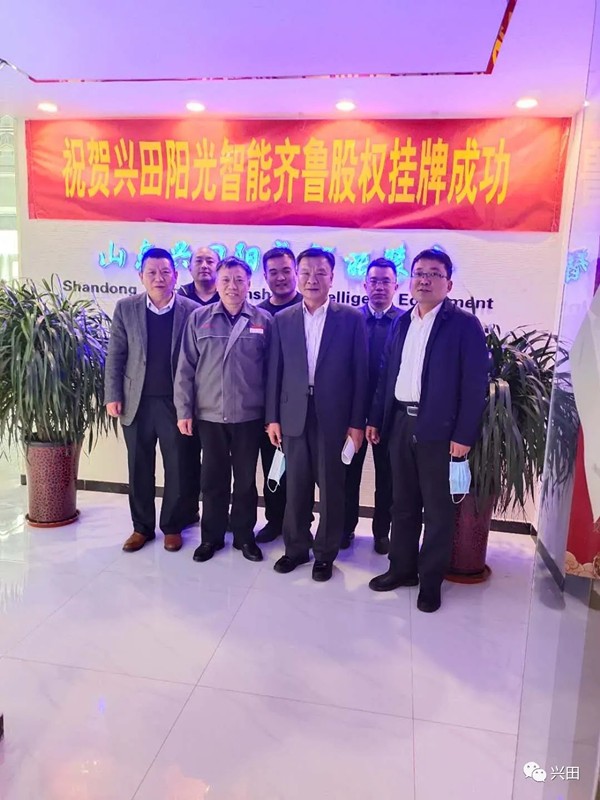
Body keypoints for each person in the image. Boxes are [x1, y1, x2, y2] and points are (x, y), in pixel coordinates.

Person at [367, 248, 489, 612]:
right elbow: (387, 375)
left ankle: (430, 581)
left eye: (434, 273)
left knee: (437, 511)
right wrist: (376, 418)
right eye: (419, 273)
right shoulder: (402, 322)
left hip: (440, 430)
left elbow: (474, 386)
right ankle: (401, 569)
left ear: (448, 284)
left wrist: (463, 436)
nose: (424, 279)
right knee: (402, 504)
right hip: (400, 423)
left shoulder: (464, 325)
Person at [266, 247, 368, 582]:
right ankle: (296, 548)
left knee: (332, 488)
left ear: (331, 277)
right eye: (306, 272)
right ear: (298, 276)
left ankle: (325, 554)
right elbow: (275, 371)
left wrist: (356, 423)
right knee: (295, 487)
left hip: (334, 417)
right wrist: (272, 418)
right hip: (293, 415)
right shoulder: (283, 319)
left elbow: (360, 374)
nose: (312, 279)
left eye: (320, 272)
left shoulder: (351, 318)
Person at [175, 256, 272, 563]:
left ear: (249, 284)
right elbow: (185, 368)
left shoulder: (263, 320)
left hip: (249, 416)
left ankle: (244, 536)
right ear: (216, 283)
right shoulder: (199, 318)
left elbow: (273, 374)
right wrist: (183, 410)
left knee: (245, 481)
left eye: (239, 280)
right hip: (210, 415)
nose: (232, 286)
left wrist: (272, 417)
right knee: (212, 480)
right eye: (226, 280)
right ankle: (211, 537)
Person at [105, 247, 198, 553]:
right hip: (136, 402)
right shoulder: (126, 308)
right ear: (141, 276)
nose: (159, 278)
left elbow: (197, 359)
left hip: (175, 404)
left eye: (165, 272)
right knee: (139, 467)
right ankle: (141, 527)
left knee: (177, 467)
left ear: (175, 275)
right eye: (152, 272)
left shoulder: (191, 310)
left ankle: (172, 526)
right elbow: (116, 354)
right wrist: (112, 394)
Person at [343, 258, 401, 554]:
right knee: (348, 475)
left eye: (385, 281)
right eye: (374, 281)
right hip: (352, 413)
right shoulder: (350, 320)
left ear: (396, 286)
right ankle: (345, 528)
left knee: (387, 478)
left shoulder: (404, 322)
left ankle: (381, 532)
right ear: (364, 285)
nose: (379, 287)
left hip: (388, 416)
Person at [255, 246, 303, 544]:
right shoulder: (257, 314)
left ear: (296, 272)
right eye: (273, 272)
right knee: (272, 465)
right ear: (265, 276)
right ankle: (274, 520)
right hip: (265, 407)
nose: (281, 277)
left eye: (286, 270)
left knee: (300, 471)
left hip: (300, 406)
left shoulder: (307, 308)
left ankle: (300, 522)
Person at [177, 246, 220, 521]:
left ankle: (217, 514)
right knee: (186, 458)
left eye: (210, 261)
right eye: (199, 261)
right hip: (186, 392)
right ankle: (188, 510)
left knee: (217, 463)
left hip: (217, 397)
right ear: (189, 266)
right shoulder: (179, 298)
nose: (204, 265)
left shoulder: (227, 297)